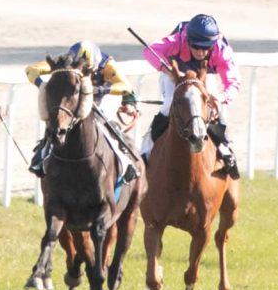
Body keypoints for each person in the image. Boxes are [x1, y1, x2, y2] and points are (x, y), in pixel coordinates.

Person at [139, 13, 242, 178]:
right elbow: (149, 51)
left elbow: (233, 83)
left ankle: (225, 149)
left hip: (203, 75)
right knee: (168, 104)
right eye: (196, 47)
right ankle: (145, 152)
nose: (201, 52)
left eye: (206, 47)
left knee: (218, 109)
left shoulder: (221, 50)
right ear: (187, 40)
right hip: (176, 75)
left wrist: (221, 97)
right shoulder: (177, 40)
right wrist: (169, 71)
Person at [24, 40, 139, 184]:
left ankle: (126, 161)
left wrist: (100, 90)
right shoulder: (66, 61)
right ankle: (42, 155)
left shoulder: (107, 64)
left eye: (87, 70)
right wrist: (42, 84)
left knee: (104, 122)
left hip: (101, 98)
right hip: (75, 97)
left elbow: (126, 86)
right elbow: (30, 69)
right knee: (57, 121)